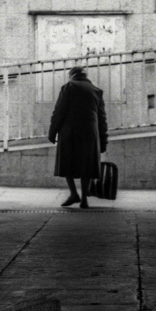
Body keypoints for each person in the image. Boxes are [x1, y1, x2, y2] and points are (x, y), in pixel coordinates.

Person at [48, 66, 108, 209]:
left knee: (67, 161)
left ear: (72, 76)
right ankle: (84, 200)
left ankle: (74, 193)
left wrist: (52, 132)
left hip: (70, 131)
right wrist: (103, 140)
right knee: (86, 164)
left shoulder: (68, 87)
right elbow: (102, 119)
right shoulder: (96, 91)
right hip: (90, 133)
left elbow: (59, 112)